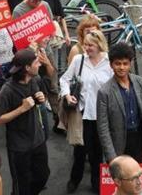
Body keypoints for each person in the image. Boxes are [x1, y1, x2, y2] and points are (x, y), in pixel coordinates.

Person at [59, 29, 112, 193]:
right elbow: (64, 79)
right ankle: (74, 179)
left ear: (100, 45)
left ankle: (97, 183)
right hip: (82, 113)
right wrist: (67, 95)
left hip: (102, 116)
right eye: (85, 44)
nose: (87, 48)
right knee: (80, 151)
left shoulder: (109, 63)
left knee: (98, 153)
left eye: (91, 45)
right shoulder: (78, 60)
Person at [0, 49, 50, 195]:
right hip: (19, 147)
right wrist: (21, 109)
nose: (39, 65)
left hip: (38, 140)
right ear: (27, 68)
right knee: (21, 187)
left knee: (43, 176)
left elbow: (42, 98)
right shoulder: (8, 90)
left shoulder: (35, 80)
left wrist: (42, 98)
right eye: (36, 62)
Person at [97, 42, 142, 164]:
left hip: (139, 140)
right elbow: (103, 128)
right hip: (118, 145)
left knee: (139, 179)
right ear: (111, 65)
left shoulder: (139, 82)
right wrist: (111, 156)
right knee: (121, 181)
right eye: (118, 64)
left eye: (125, 64)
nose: (122, 67)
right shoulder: (104, 92)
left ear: (130, 64)